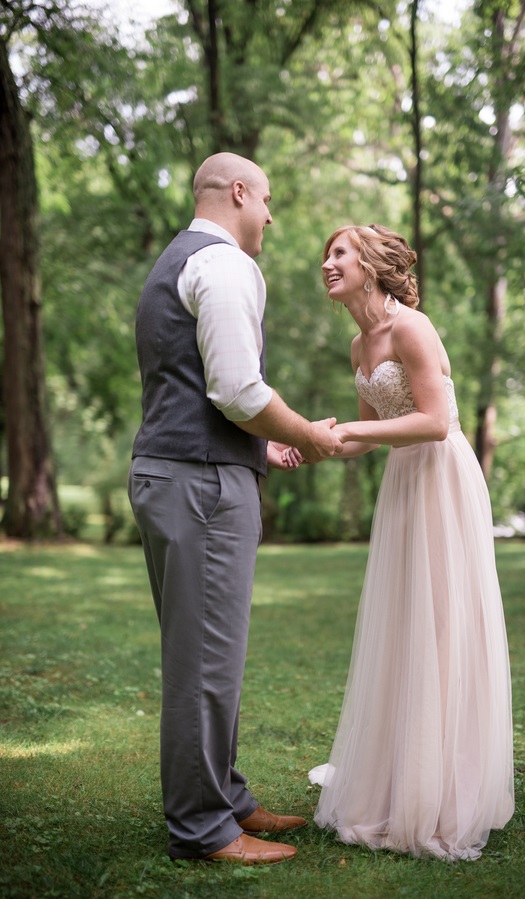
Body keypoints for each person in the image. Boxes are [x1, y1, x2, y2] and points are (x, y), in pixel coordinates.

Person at [128, 152, 342, 865]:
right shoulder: (224, 266)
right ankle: (202, 827)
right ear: (239, 192)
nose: (272, 216)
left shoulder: (177, 260)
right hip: (201, 484)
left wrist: (259, 449)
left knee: (208, 655)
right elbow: (237, 391)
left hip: (187, 471)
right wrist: (307, 433)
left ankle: (227, 795)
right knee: (205, 663)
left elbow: (205, 390)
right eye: (269, 200)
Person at [303, 224, 514, 861]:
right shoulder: (356, 343)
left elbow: (435, 420)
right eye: (327, 254)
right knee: (403, 622)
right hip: (402, 481)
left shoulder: (411, 328)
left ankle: (445, 789)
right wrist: (320, 442)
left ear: (370, 266)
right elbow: (374, 431)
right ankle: (397, 777)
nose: (327, 262)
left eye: (339, 253)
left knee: (443, 621)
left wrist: (349, 432)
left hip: (442, 478)